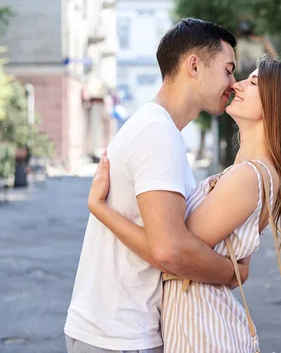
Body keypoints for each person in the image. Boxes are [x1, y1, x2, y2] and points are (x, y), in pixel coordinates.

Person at [88, 56, 281, 352]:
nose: (236, 85)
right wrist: (229, 269)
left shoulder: (250, 176)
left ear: (279, 105)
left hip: (203, 330)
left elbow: (170, 252)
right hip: (198, 324)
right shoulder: (252, 172)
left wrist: (100, 208)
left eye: (253, 82)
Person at [64, 18, 250, 353]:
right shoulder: (158, 133)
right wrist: (232, 273)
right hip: (119, 336)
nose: (233, 83)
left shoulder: (157, 128)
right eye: (228, 69)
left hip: (116, 332)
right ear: (194, 65)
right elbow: (170, 249)